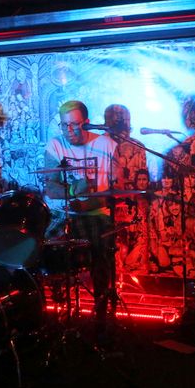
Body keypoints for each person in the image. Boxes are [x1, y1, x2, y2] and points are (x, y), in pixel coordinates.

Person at [42, 100, 120, 337]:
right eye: (64, 125)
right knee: (40, 246)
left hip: (96, 215)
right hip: (64, 213)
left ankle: (101, 315)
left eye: (74, 125)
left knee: (100, 252)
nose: (69, 130)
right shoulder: (55, 145)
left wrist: (89, 203)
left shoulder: (107, 145)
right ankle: (50, 309)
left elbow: (117, 190)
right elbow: (51, 187)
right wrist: (73, 191)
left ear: (86, 123)